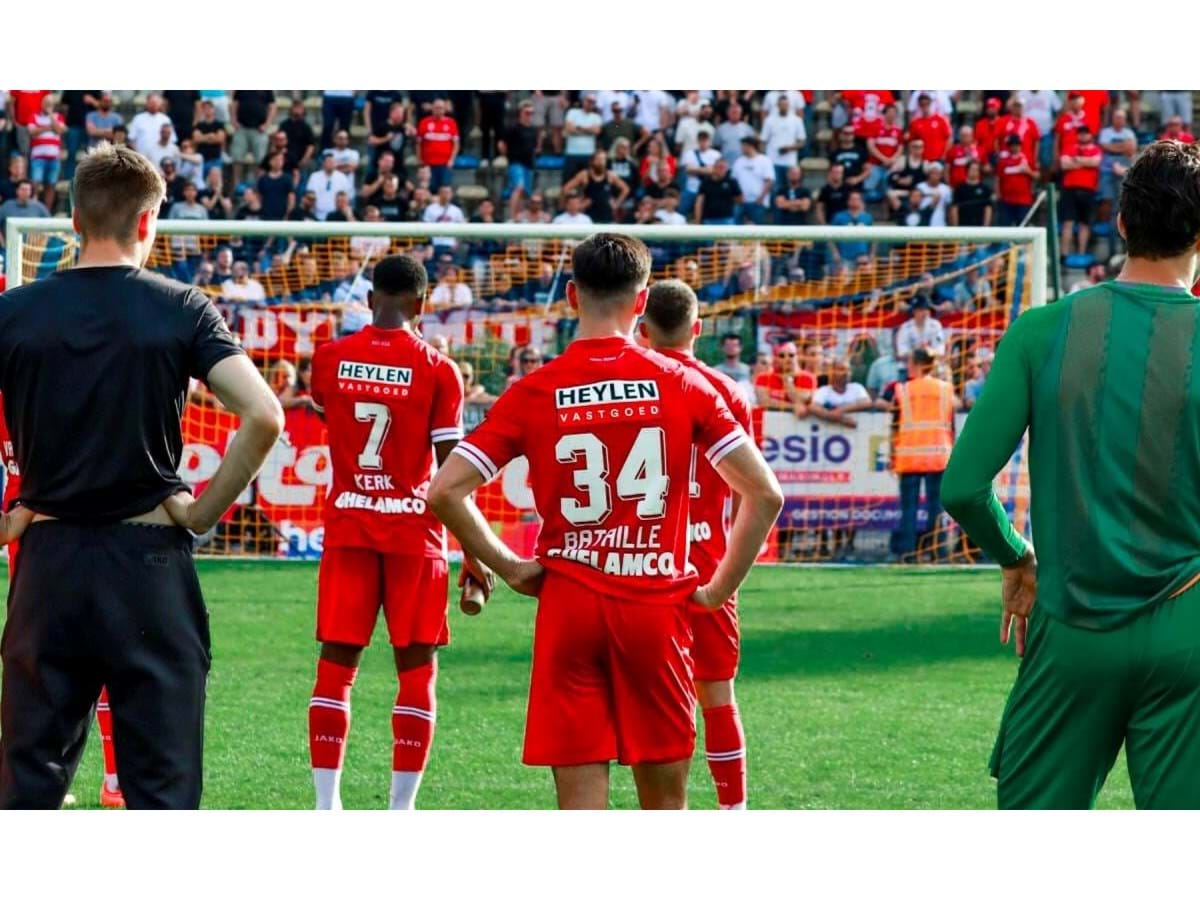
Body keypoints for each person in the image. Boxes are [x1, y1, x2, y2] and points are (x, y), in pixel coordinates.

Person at [427, 232, 783, 810]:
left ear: (572, 295)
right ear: (640, 303)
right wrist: (718, 590)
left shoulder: (534, 390)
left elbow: (444, 491)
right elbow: (764, 495)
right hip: (655, 605)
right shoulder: (685, 384)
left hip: (568, 608)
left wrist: (512, 567)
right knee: (665, 807)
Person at [0, 142, 283, 809]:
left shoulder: (14, 311)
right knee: (161, 790)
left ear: (72, 221)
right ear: (149, 222)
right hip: (148, 561)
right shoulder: (181, 305)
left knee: (26, 787)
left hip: (49, 561)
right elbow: (264, 415)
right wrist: (203, 512)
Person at [941, 140, 1200, 809]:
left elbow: (964, 487)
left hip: (1071, 621)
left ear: (1119, 223)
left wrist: (1015, 557)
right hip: (1189, 626)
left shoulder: (1040, 330)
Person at [306, 254, 480, 811]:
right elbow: (453, 469)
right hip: (415, 535)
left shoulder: (330, 359)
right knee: (416, 672)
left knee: (336, 669)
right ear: (423, 304)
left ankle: (325, 806)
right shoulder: (438, 368)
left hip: (349, 525)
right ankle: (399, 812)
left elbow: (335, 419)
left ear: (369, 297)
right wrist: (475, 555)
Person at [638, 279, 754, 810]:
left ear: (642, 329)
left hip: (641, 559)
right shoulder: (730, 392)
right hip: (707, 561)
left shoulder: (629, 384)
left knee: (650, 701)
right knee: (717, 695)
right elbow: (746, 487)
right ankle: (733, 811)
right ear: (699, 329)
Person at [891, 348, 955, 563]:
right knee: (936, 508)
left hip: (910, 457)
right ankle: (939, 552)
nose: (907, 365)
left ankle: (907, 553)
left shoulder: (903, 390)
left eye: (909, 361)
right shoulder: (946, 389)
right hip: (938, 455)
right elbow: (951, 422)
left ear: (917, 364)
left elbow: (894, 424)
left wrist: (893, 457)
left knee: (909, 508)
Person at [1059, 126, 1102, 257]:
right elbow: (1063, 164)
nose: (1083, 136)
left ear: (1090, 135)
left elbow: (1095, 162)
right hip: (1069, 188)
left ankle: (1081, 253)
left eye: (1086, 134)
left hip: (1088, 189)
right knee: (1068, 222)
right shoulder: (1069, 147)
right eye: (1080, 134)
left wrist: (1076, 160)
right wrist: (1085, 163)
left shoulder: (1096, 149)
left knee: (1085, 223)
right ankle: (1064, 254)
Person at [416, 98, 459, 192]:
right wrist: (419, 160)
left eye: (441, 108)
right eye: (437, 108)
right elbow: (418, 144)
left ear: (445, 109)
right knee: (429, 190)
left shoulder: (451, 123)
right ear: (432, 108)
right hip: (428, 164)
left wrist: (451, 160)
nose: (439, 110)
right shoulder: (424, 123)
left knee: (444, 190)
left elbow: (456, 144)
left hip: (445, 164)